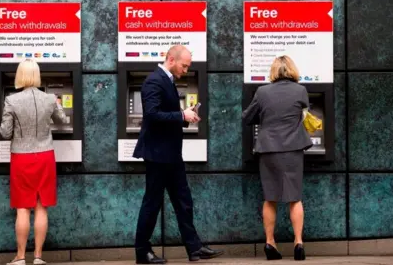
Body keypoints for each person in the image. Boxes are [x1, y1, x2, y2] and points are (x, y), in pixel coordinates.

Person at [132, 45, 224, 264]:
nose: (186, 70)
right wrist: (181, 114)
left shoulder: (169, 81)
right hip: (157, 154)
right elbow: (152, 115)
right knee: (152, 203)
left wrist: (185, 116)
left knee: (184, 201)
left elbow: (167, 115)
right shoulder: (154, 81)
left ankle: (194, 248)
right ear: (171, 60)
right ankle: (142, 251)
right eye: (184, 65)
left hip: (171, 153)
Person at [242, 55, 313, 261]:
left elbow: (247, 117)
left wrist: (263, 116)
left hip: (269, 149)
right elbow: (303, 111)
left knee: (270, 198)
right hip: (293, 148)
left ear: (273, 71)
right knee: (295, 197)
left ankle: (270, 243)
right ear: (292, 69)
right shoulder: (300, 90)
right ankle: (298, 243)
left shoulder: (262, 92)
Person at [0, 59, 67, 265]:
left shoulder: (11, 101)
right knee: (41, 207)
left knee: (22, 208)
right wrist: (57, 106)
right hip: (45, 156)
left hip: (21, 157)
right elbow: (63, 120)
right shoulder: (49, 99)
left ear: (20, 75)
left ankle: (20, 257)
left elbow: (5, 132)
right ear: (37, 76)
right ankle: (38, 256)